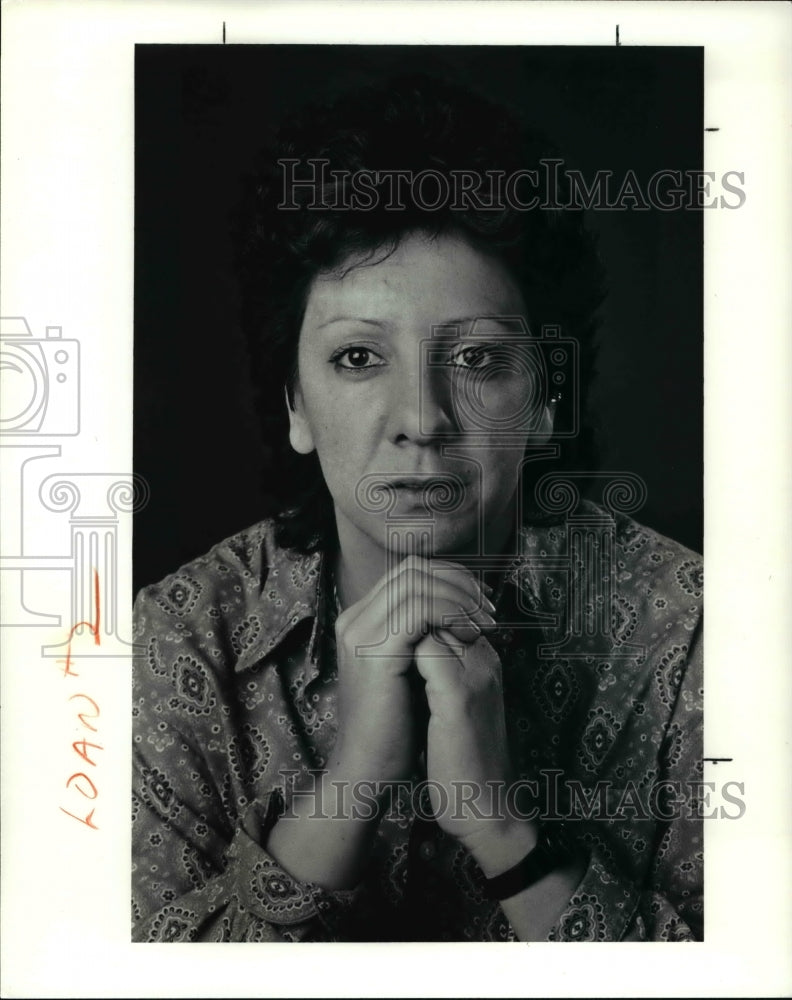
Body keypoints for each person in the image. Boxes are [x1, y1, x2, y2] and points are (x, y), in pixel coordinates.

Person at [132, 74, 703, 942]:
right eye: (359, 358)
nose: (422, 422)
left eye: (477, 359)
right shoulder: (173, 642)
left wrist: (503, 829)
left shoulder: (698, 631)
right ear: (294, 403)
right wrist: (354, 780)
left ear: (545, 399)